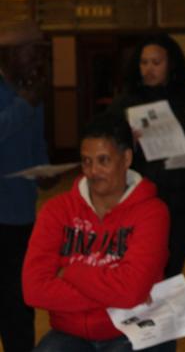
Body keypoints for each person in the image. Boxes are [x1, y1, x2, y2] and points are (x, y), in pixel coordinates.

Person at [22, 113, 170, 351]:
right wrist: (117, 294)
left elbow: (130, 291)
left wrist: (70, 273)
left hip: (133, 329)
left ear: (126, 158)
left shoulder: (152, 212)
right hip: (70, 333)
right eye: (86, 161)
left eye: (103, 160)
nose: (93, 171)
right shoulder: (56, 210)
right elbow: (33, 291)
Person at [107, 33, 185, 278]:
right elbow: (106, 146)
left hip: (184, 196)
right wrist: (128, 142)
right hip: (143, 196)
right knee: (144, 266)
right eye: (144, 62)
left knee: (173, 265)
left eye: (156, 62)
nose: (149, 69)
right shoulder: (126, 103)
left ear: (171, 64)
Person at [0, 21, 49, 352]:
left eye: (41, 54)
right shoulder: (24, 98)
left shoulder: (31, 93)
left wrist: (46, 172)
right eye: (32, 53)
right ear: (9, 55)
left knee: (19, 301)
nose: (38, 61)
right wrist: (24, 104)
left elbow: (36, 146)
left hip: (22, 215)